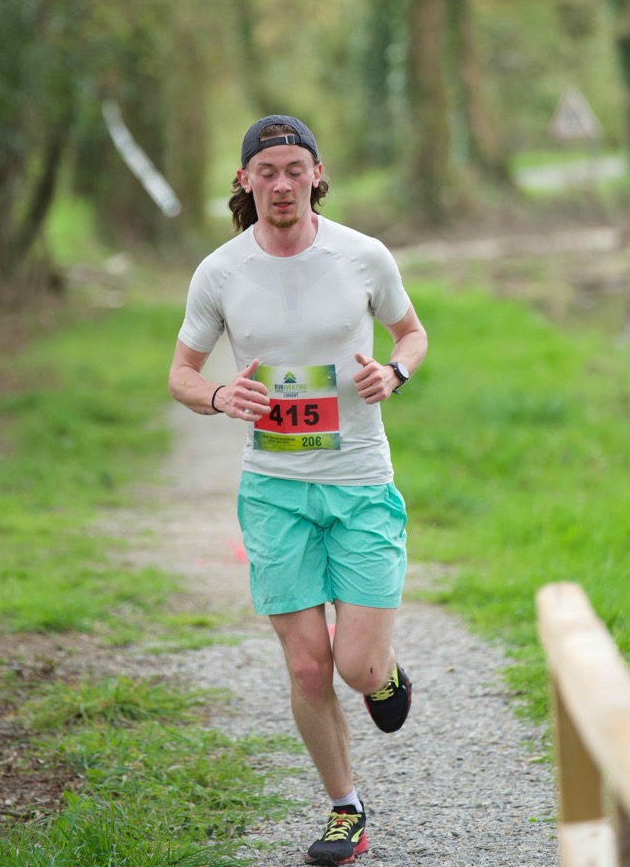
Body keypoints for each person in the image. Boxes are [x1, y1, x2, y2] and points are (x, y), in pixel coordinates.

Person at [168, 114, 427, 865]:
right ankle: (345, 809)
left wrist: (394, 372)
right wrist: (220, 396)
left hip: (359, 484)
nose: (281, 184)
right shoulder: (220, 272)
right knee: (308, 665)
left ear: (316, 175)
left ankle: (382, 674)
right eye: (267, 170)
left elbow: (411, 334)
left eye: (294, 169)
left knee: (356, 667)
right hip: (274, 491)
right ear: (244, 181)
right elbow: (181, 374)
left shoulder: (362, 256)